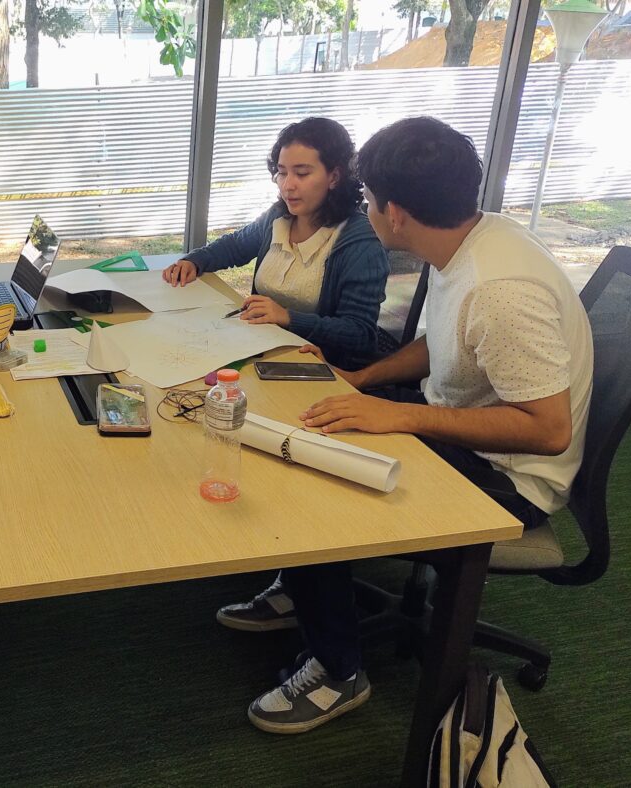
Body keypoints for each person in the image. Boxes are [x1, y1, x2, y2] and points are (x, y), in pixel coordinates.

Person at [225, 116, 594, 735]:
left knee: (316, 480)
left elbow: (548, 429)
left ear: (393, 212)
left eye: (367, 200)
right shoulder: (473, 237)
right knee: (306, 409)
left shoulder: (500, 289)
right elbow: (440, 344)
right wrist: (363, 381)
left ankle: (340, 670)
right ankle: (301, 588)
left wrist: (397, 415)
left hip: (509, 478)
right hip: (459, 424)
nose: (363, 210)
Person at [162, 117, 389, 370]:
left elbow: (360, 333)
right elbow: (235, 245)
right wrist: (195, 260)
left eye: (301, 173)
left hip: (317, 367)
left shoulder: (359, 241)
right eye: (281, 172)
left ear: (334, 177)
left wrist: (288, 317)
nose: (287, 185)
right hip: (261, 352)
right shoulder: (279, 217)